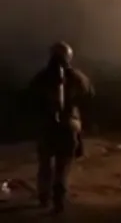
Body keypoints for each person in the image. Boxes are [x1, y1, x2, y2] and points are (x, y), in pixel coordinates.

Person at [26, 41, 95, 215]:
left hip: (47, 127)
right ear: (69, 57)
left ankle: (44, 197)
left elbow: (29, 99)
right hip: (69, 126)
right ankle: (59, 201)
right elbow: (90, 95)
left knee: (45, 165)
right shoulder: (78, 78)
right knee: (62, 167)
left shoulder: (41, 77)